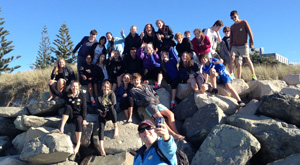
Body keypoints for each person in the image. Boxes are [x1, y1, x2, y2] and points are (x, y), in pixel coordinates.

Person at [130, 73, 184, 140]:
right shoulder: (133, 91)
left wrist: (156, 98)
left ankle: (176, 133)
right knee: (160, 118)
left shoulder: (146, 86)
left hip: (157, 103)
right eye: (134, 80)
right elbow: (137, 102)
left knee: (170, 114)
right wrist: (145, 100)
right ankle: (173, 135)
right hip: (149, 105)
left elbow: (154, 93)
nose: (136, 82)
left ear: (140, 80)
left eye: (137, 80)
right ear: (132, 81)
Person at [48, 80, 88, 154]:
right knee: (68, 106)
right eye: (73, 86)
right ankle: (62, 128)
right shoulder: (67, 94)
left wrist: (84, 119)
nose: (74, 88)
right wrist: (51, 85)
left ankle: (78, 143)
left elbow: (84, 107)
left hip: (78, 115)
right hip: (69, 116)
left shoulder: (81, 94)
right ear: (70, 87)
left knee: (79, 121)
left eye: (76, 86)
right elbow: (57, 93)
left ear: (79, 87)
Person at [229, 10, 257, 80]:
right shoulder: (232, 27)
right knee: (232, 58)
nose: (234, 19)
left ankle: (253, 75)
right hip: (234, 45)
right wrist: (230, 47)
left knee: (247, 58)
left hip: (243, 45)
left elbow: (250, 32)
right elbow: (231, 37)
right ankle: (232, 74)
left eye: (234, 17)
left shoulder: (244, 22)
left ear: (238, 15)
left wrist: (251, 42)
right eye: (232, 18)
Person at [96, 80, 118, 156]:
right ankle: (101, 147)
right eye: (104, 87)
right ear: (102, 87)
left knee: (112, 108)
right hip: (102, 113)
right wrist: (101, 112)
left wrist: (106, 111)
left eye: (107, 87)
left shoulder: (111, 93)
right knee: (101, 126)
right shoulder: (99, 95)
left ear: (109, 88)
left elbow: (114, 104)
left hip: (110, 113)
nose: (106, 88)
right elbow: (97, 107)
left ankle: (115, 127)